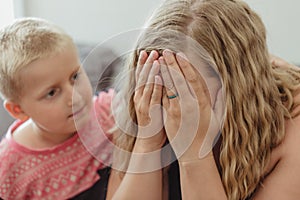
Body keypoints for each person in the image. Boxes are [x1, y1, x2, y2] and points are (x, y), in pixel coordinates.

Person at [106, 0, 300, 199]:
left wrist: (195, 154)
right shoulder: (145, 100)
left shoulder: (293, 126)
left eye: (185, 90)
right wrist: (147, 144)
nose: (170, 106)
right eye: (161, 85)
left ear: (237, 87)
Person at [0, 18, 115, 200]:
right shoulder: (9, 170)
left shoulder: (107, 111)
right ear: (18, 110)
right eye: (52, 93)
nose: (75, 97)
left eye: (75, 76)